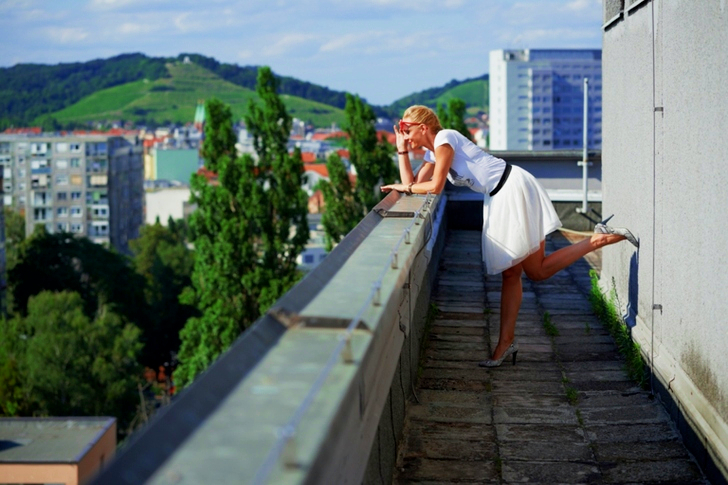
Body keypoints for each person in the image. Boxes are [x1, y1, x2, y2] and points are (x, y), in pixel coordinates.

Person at [381, 105, 638, 367]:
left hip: (511, 189)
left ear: (423, 127)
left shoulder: (445, 138)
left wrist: (406, 186)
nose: (406, 135)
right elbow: (412, 184)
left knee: (533, 272)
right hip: (499, 196)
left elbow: (434, 187)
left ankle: (598, 240)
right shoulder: (432, 152)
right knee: (516, 273)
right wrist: (401, 151)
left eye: (406, 130)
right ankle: (505, 344)